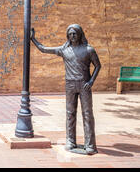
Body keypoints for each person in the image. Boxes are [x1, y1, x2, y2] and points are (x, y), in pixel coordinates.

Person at [31, 24, 101, 155]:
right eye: (70, 34)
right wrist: (33, 39)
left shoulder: (88, 49)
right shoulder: (64, 50)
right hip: (70, 85)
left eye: (75, 33)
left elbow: (98, 66)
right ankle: (70, 141)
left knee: (87, 115)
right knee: (70, 114)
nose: (72, 36)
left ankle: (90, 144)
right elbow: (43, 49)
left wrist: (91, 81)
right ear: (67, 36)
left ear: (80, 34)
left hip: (84, 84)